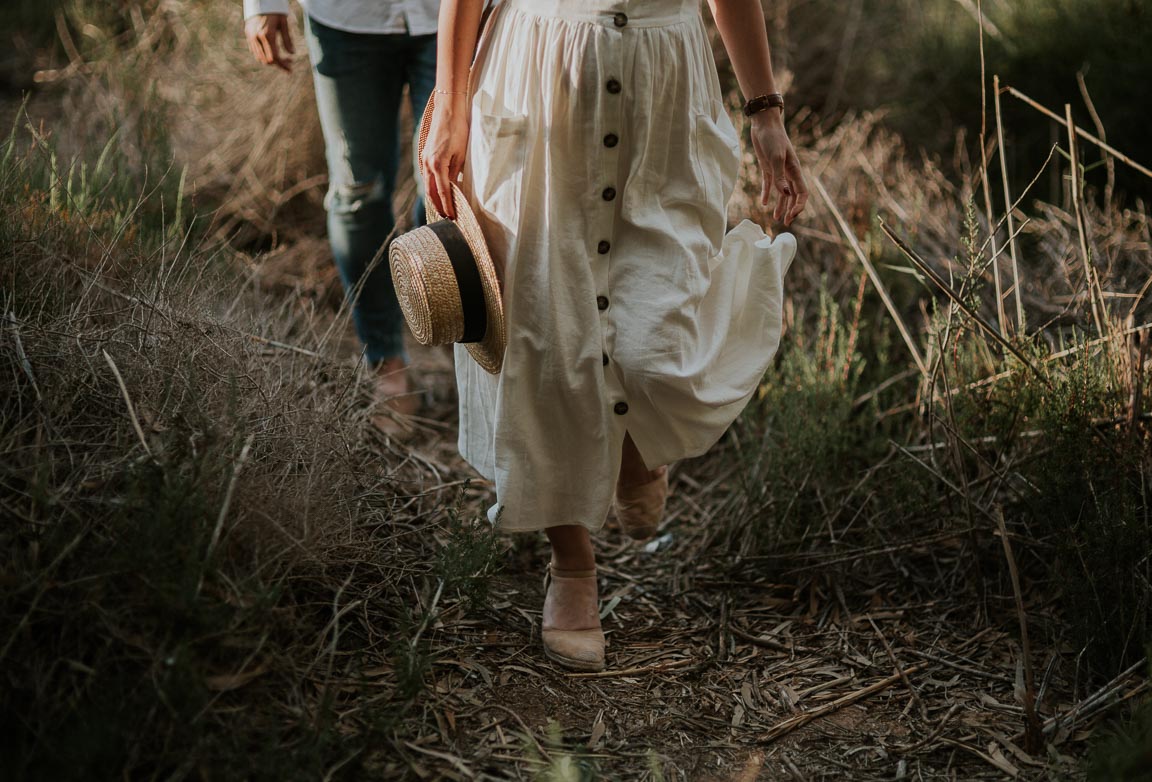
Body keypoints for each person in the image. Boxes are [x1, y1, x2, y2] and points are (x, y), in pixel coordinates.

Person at [425, 0, 807, 672]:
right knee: (542, 335)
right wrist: (450, 100)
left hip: (664, 85)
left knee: (655, 345)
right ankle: (571, 566)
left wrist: (766, 112)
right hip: (536, 72)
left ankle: (634, 443)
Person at [244, 0, 442, 434]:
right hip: (346, 18)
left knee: (450, 190)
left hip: (455, 14)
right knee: (358, 191)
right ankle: (387, 363)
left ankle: (454, 334)